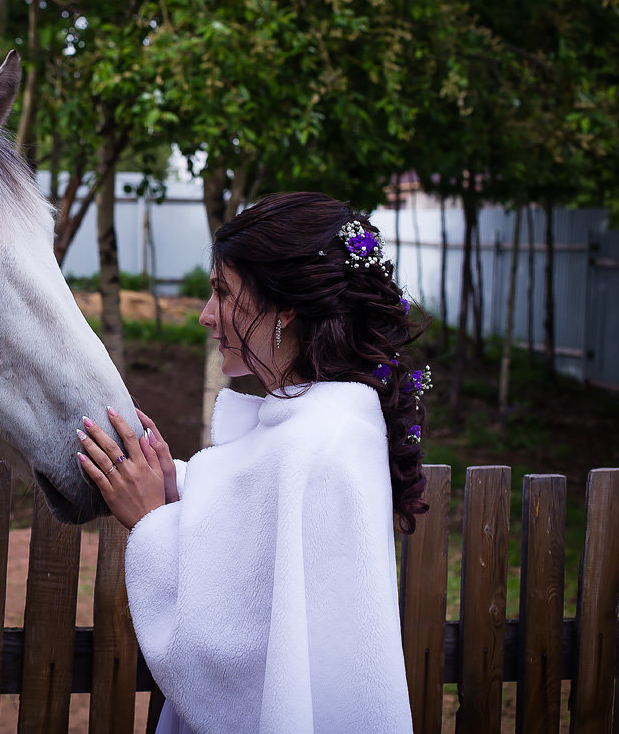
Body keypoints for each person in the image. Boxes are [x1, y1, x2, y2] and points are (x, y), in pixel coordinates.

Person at [77, 191, 428, 733]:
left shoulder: (322, 442)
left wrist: (150, 525)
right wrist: (180, 493)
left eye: (222, 291)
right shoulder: (315, 425)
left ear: (284, 305)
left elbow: (234, 662)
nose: (205, 315)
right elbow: (256, 569)